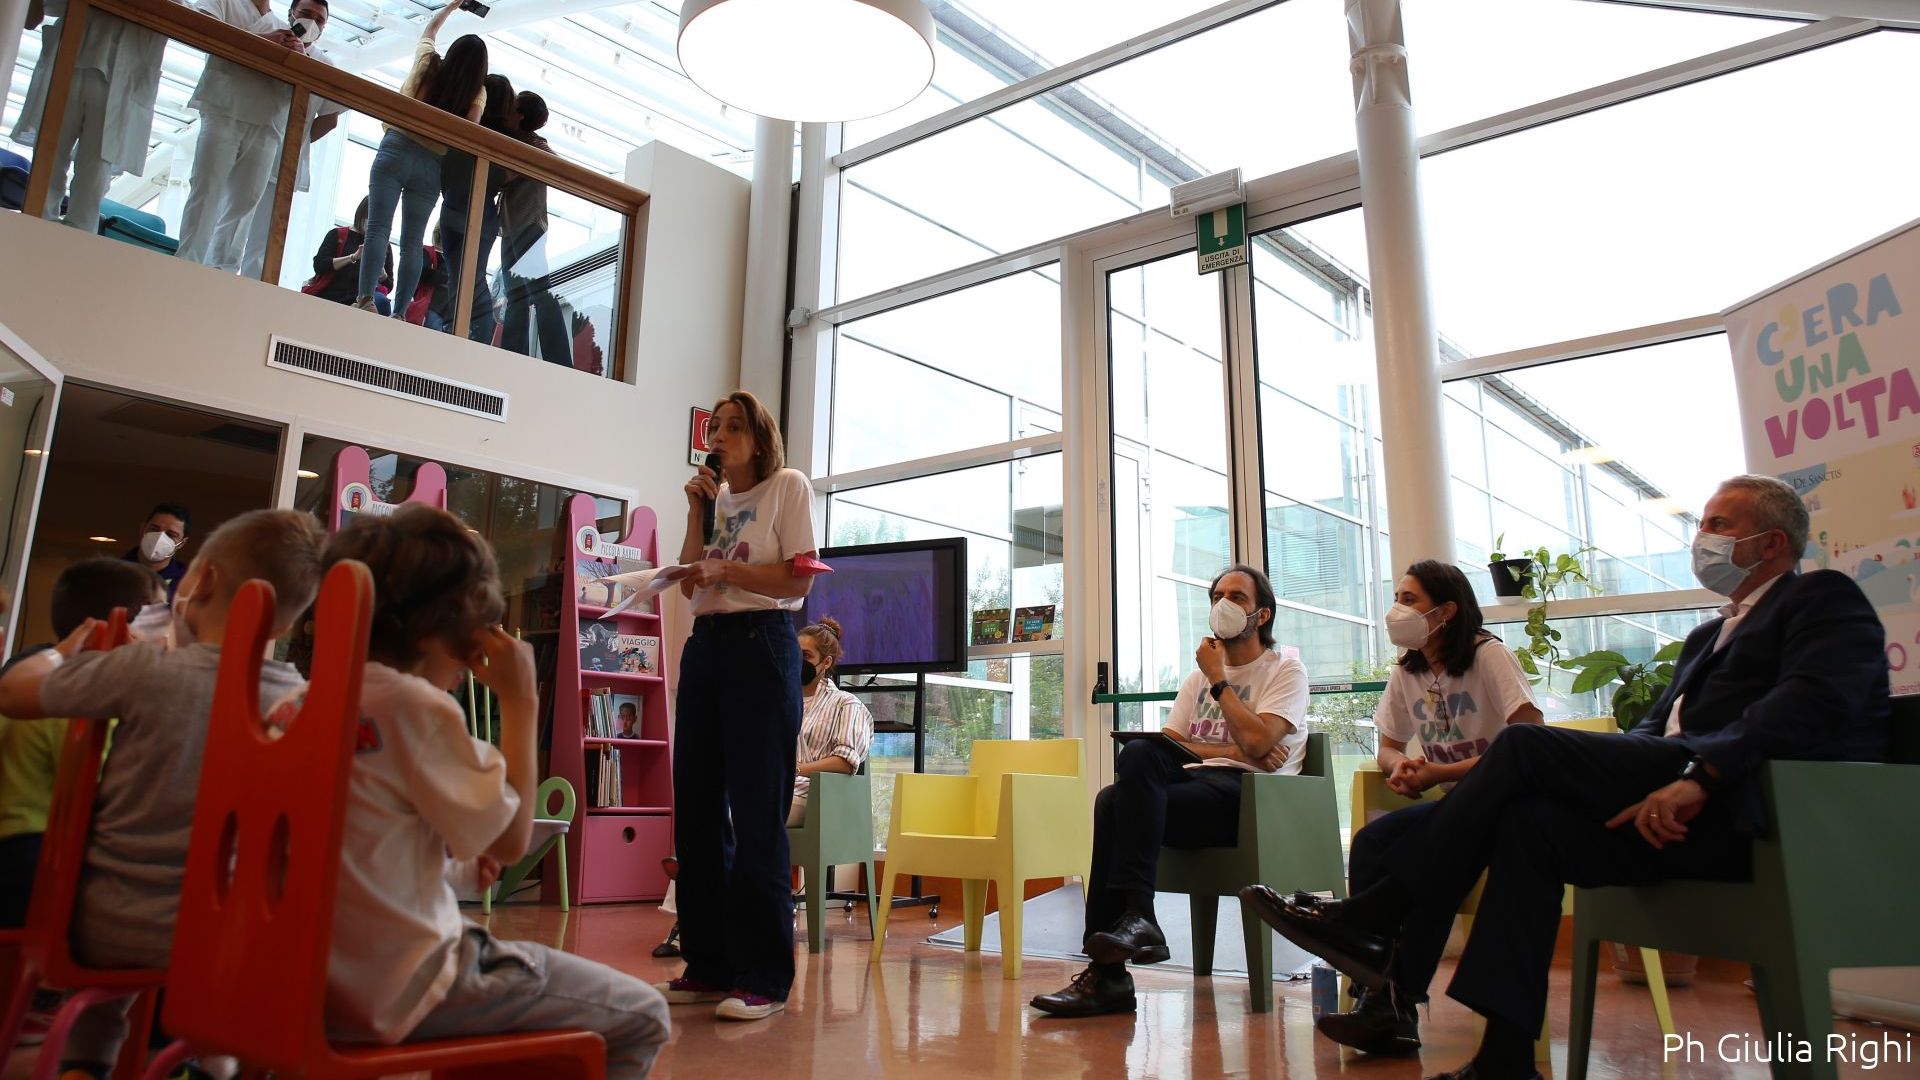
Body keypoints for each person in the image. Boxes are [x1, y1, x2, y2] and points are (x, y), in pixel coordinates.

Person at [1244, 474, 1891, 1080]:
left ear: (1772, 543)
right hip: (1667, 796)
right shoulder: (1705, 638)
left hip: (1745, 805)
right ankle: (1504, 1059)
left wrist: (1703, 775)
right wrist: (1630, 777)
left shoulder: (1821, 598)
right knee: (1529, 826)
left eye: (1718, 524)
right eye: (1702, 523)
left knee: (1522, 746)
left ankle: (1377, 916)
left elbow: (1812, 702)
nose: (1702, 537)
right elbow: (1651, 733)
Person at [313, 505, 669, 1077]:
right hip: (400, 988)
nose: (467, 669)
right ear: (437, 634)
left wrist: (454, 872)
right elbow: (509, 843)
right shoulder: (413, 708)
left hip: (301, 986)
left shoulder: (299, 705)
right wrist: (521, 701)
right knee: (643, 1013)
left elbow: (353, 857)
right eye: (469, 647)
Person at [0, 509, 324, 1077]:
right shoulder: (305, 706)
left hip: (107, 927)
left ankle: (86, 1061)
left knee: (119, 959)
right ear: (285, 625)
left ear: (200, 580)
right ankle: (217, 1058)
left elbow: (12, 692)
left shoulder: (142, 667)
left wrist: (67, 650)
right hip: (235, 941)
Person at [1030, 564, 1309, 1019]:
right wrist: (1232, 747)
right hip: (1195, 788)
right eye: (1217, 596)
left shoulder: (1284, 671)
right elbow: (1171, 746)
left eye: (1237, 597)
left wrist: (1220, 682)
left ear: (1262, 615)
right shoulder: (1196, 679)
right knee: (1136, 757)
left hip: (1250, 801)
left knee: (1113, 802)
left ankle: (1111, 974)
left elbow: (1260, 743)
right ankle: (1137, 921)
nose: (1223, 604)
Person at [1311, 559, 1541, 1056]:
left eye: (1409, 599)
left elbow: (1529, 739)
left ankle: (1386, 991)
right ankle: (1383, 991)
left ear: (1447, 611)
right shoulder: (1408, 669)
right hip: (1454, 806)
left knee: (1432, 868)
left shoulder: (1488, 655)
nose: (1397, 609)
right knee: (1373, 841)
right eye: (1397, 598)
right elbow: (1388, 745)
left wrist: (1439, 772)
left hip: (1510, 807)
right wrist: (1401, 767)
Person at [654, 389, 818, 1022]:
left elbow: (799, 578)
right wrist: (696, 512)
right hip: (707, 646)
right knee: (696, 812)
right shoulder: (715, 498)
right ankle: (709, 963)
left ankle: (765, 976)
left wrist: (728, 573)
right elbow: (690, 578)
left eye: (732, 427)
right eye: (715, 427)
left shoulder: (787, 486)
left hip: (762, 645)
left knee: (756, 816)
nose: (718, 436)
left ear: (758, 436)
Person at [0, 559, 163, 930]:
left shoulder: (36, 678)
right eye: (159, 618)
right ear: (121, 630)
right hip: (29, 863)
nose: (167, 635)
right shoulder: (77, 694)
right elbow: (102, 797)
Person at [174, 0, 343, 273]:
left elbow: (329, 117)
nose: (311, 22)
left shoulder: (293, 41)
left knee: (244, 204)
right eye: (305, 14)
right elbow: (201, 29)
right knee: (207, 189)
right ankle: (187, 263)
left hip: (268, 127)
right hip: (224, 112)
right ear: (292, 13)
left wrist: (297, 58)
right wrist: (265, 42)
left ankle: (223, 269)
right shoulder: (251, 17)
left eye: (319, 19)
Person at [355, 2, 485, 316]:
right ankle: (400, 313)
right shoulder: (477, 92)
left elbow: (430, 30)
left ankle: (366, 300)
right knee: (412, 243)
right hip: (431, 163)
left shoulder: (428, 62)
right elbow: (470, 131)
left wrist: (453, 6)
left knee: (378, 229)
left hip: (396, 147)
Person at [11, 0, 170, 234]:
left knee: (96, 170)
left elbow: (174, 15)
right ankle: (35, 227)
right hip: (72, 57)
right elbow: (36, 13)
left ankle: (80, 235)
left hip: (122, 75)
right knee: (50, 156)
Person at [788, 616, 874, 895]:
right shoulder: (781, 699)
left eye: (805, 656)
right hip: (777, 789)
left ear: (825, 662)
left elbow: (845, 762)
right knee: (718, 811)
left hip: (816, 797)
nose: (797, 661)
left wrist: (796, 769)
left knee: (750, 818)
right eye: (794, 653)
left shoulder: (846, 705)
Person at [437, 72, 514, 343]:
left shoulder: (466, 125)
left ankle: (457, 330)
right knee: (475, 276)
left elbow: (445, 167)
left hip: (455, 205)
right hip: (484, 213)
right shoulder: (508, 141)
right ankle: (474, 334)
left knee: (457, 275)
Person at [498, 91, 570, 364]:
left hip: (527, 225)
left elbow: (558, 165)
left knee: (539, 291)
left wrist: (517, 167)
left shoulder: (534, 144)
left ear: (519, 116)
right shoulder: (519, 141)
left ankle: (558, 359)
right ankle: (514, 355)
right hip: (513, 227)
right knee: (517, 294)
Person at [305, 196, 393, 313]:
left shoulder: (384, 246)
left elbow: (389, 285)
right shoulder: (337, 234)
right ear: (362, 214)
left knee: (382, 303)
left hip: (363, 297)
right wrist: (353, 257)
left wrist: (382, 274)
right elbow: (320, 265)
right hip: (332, 291)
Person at [122, 502, 190, 599]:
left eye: (171, 535)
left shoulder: (186, 585)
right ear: (143, 529)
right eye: (154, 529)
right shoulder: (111, 573)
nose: (159, 538)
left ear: (182, 543)